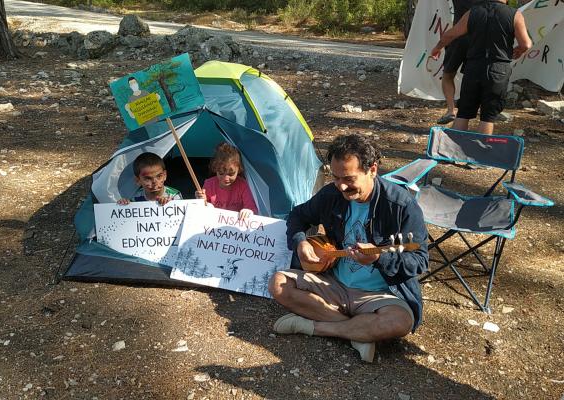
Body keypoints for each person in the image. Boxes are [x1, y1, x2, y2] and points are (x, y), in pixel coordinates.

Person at [268, 134, 429, 362]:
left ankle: (315, 326)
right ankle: (359, 333)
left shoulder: (401, 206)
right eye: (335, 177)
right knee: (278, 284)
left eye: (349, 178)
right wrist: (301, 241)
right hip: (334, 282)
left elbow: (419, 261)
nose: (341, 185)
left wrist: (377, 259)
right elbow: (298, 216)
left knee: (399, 322)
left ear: (372, 170)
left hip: (380, 293)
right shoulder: (332, 194)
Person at [431, 0, 532, 134]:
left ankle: (454, 150)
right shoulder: (515, 14)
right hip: (498, 69)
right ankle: (480, 151)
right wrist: (518, 50)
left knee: (463, 114)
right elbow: (526, 44)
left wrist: (437, 48)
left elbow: (450, 34)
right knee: (487, 118)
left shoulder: (472, 12)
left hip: (473, 67)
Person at [437, 0, 476, 125]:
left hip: (458, 37)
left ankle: (451, 110)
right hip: (478, 39)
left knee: (448, 75)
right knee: (472, 77)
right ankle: (469, 111)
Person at [195, 142, 258, 221]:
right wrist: (200, 199)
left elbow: (251, 207)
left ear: (239, 170)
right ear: (215, 169)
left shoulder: (243, 185)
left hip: (235, 227)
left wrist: (248, 211)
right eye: (221, 173)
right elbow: (203, 207)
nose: (226, 178)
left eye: (231, 174)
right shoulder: (209, 184)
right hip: (213, 226)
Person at [118, 152, 182, 205]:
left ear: (165, 175)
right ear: (138, 180)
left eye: (159, 176)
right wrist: (124, 205)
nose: (154, 182)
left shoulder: (174, 196)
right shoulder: (135, 198)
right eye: (148, 178)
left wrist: (170, 204)